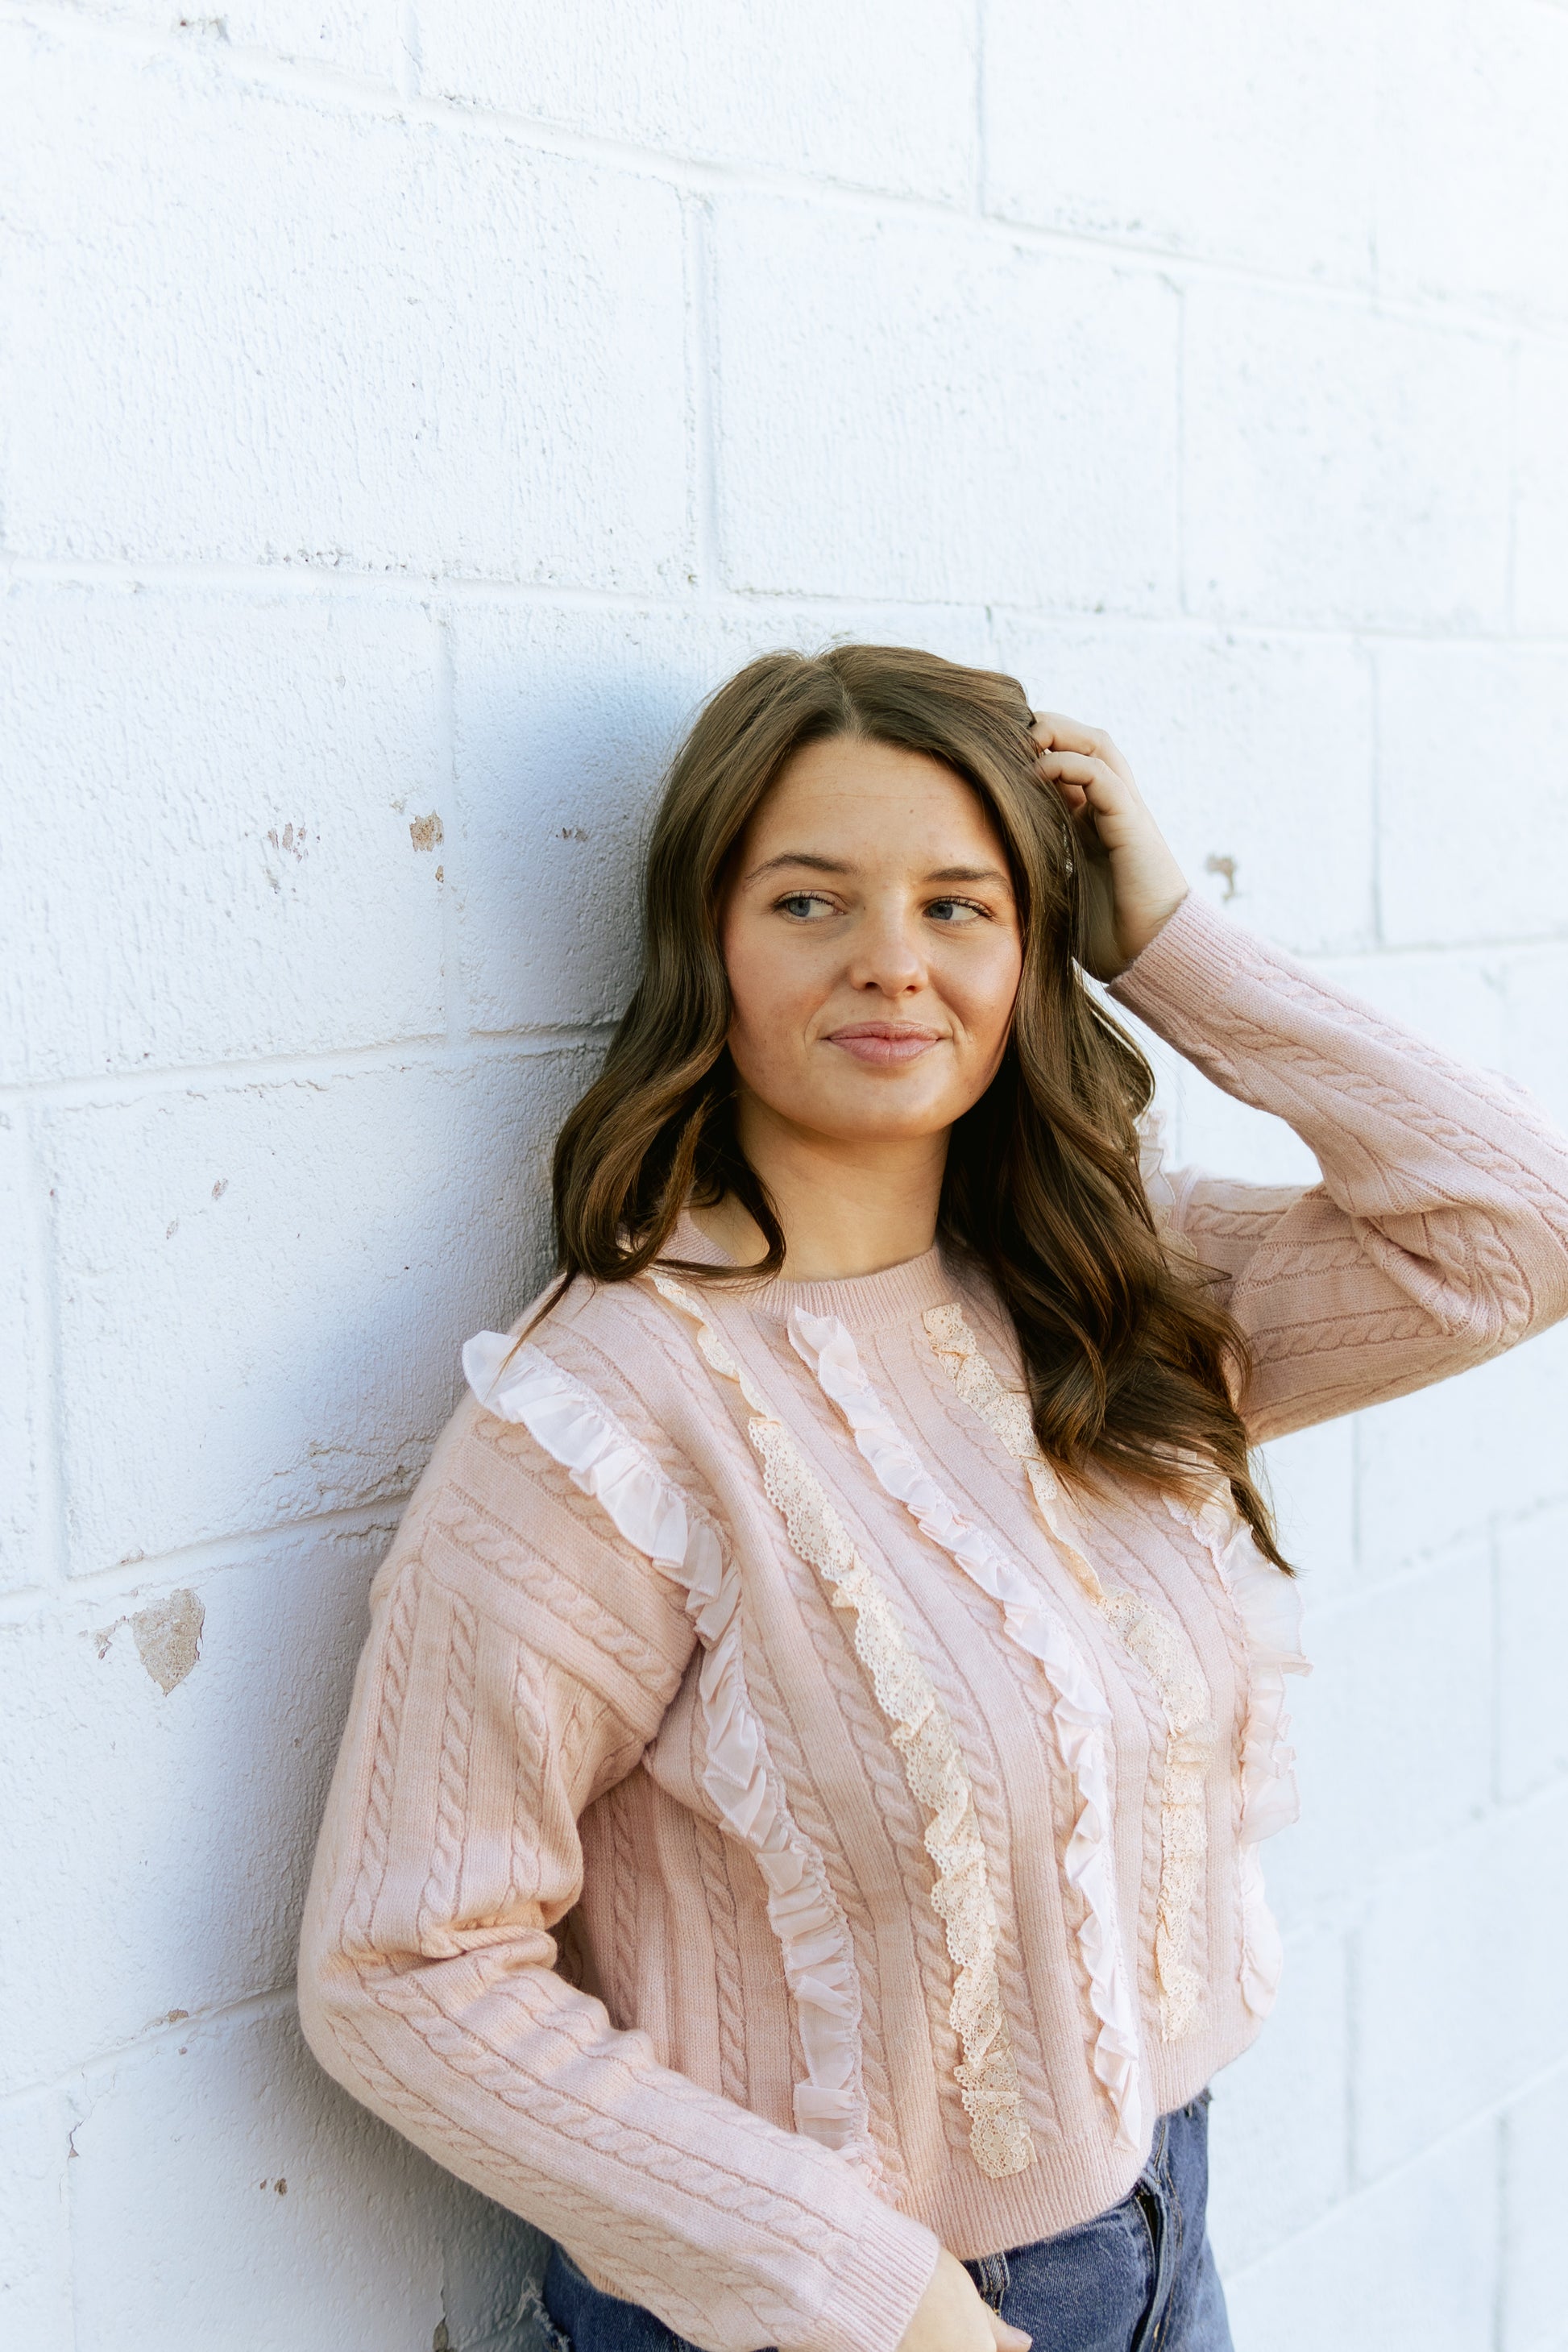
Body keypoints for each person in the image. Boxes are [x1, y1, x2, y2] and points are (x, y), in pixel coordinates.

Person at [297, 645, 1568, 2352]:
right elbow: (407, 1968)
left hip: (1158, 2239)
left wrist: (1171, 942)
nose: (892, 962)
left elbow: (1511, 1230)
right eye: (812, 901)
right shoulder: (608, 1416)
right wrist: (868, 2292)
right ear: (710, 943)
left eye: (960, 905)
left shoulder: (1108, 1287)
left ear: (1037, 949)